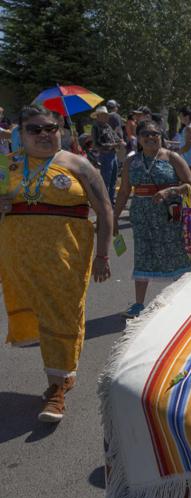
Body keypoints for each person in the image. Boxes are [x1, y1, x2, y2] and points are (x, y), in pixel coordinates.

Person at [0, 104, 113, 422]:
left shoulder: (78, 165)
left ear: (60, 130)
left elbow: (104, 210)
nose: (44, 134)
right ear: (20, 134)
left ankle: (56, 390)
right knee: (44, 319)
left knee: (63, 316)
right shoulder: (5, 165)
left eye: (50, 128)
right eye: (34, 129)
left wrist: (102, 255)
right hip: (16, 259)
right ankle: (62, 374)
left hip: (66, 258)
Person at [113, 120, 191, 318]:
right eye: (145, 134)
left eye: (155, 134)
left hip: (170, 215)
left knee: (176, 254)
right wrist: (114, 218)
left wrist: (171, 190)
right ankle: (139, 304)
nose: (150, 137)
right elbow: (124, 191)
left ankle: (182, 299)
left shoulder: (172, 157)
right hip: (142, 216)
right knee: (142, 255)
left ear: (161, 137)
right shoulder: (131, 162)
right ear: (138, 138)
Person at [91, 105, 123, 203]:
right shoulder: (96, 127)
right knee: (106, 180)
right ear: (98, 116)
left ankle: (111, 199)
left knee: (113, 179)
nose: (106, 117)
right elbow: (97, 144)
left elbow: (115, 136)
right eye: (104, 115)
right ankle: (105, 201)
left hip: (113, 154)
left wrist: (119, 141)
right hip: (105, 155)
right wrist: (114, 145)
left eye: (106, 115)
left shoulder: (107, 126)